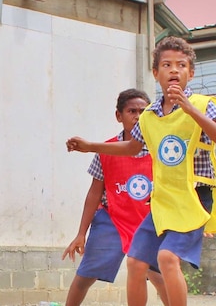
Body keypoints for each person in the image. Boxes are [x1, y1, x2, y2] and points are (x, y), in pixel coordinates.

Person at [67, 36, 216, 306]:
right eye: (166, 65)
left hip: (194, 197)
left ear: (191, 72)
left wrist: (188, 109)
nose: (174, 70)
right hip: (164, 200)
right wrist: (89, 146)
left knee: (166, 258)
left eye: (181, 65)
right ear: (156, 73)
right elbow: (132, 147)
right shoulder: (151, 114)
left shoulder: (203, 104)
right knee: (136, 262)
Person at [62, 89, 168, 306]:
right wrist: (81, 233)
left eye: (143, 111)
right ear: (119, 116)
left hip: (149, 221)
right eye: (132, 111)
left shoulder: (162, 149)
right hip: (112, 219)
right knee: (86, 274)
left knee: (159, 274)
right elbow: (94, 192)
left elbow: (176, 186)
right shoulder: (106, 149)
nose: (138, 116)